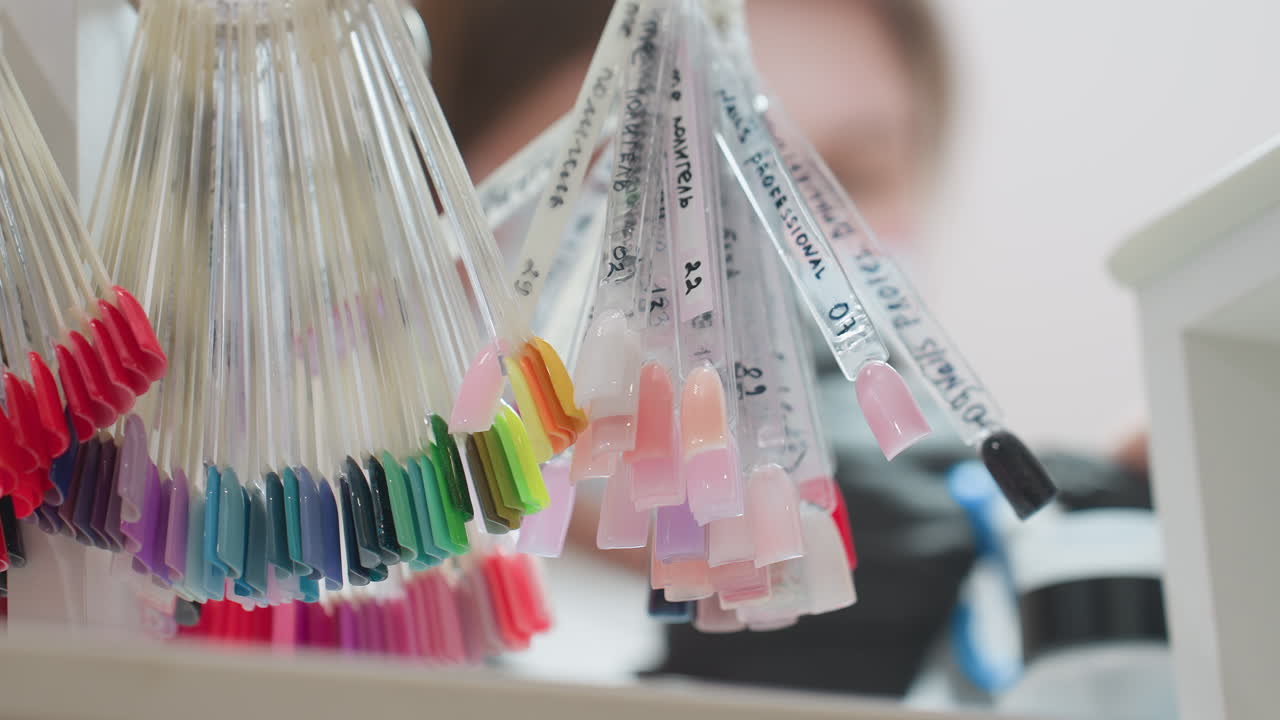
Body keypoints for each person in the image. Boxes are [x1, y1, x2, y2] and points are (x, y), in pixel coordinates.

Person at [418, 0, 1150, 697]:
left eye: (850, 176)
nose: (755, 242)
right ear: (431, 209)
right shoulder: (353, 636)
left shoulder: (1042, 576)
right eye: (666, 176)